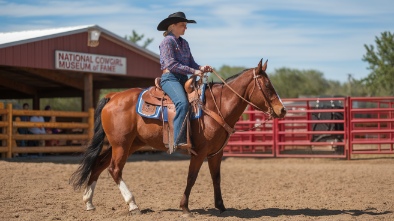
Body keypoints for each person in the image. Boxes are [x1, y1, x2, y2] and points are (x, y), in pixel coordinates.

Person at [157, 12, 213, 150]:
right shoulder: (167, 42)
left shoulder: (184, 43)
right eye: (183, 25)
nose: (185, 28)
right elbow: (171, 64)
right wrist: (194, 71)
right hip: (170, 78)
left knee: (201, 100)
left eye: (186, 25)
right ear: (172, 26)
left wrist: (201, 67)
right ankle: (178, 139)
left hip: (183, 79)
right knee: (182, 103)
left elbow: (191, 62)